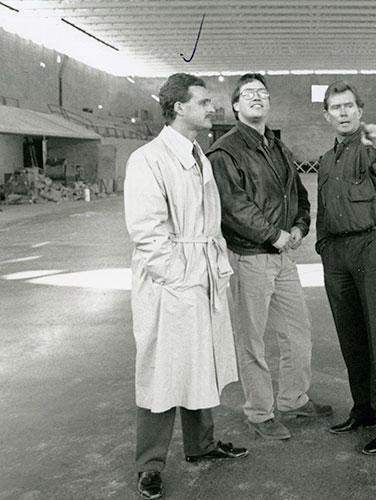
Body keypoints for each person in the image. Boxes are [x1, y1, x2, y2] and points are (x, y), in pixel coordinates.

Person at [124, 73, 247, 500]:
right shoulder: (148, 158)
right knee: (162, 369)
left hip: (201, 269)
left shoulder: (200, 155)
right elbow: (147, 232)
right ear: (178, 107)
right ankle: (150, 465)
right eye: (203, 101)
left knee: (201, 361)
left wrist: (205, 268)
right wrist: (176, 276)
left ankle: (202, 444)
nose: (211, 107)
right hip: (170, 279)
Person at [207, 73, 332, 441]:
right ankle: (260, 412)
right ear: (235, 105)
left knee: (297, 331)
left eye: (263, 93)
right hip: (250, 257)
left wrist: (298, 226)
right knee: (253, 340)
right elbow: (233, 207)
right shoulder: (226, 151)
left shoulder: (277, 148)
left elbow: (299, 193)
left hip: (282, 256)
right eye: (249, 94)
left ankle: (293, 399)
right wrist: (271, 234)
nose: (258, 98)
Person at [316, 81, 376, 455]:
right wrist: (323, 247)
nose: (344, 112)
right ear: (327, 115)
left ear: (360, 110)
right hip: (336, 252)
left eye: (350, 106)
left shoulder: (370, 148)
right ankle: (364, 409)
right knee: (351, 337)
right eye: (336, 107)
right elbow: (322, 205)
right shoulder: (325, 159)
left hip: (372, 246)